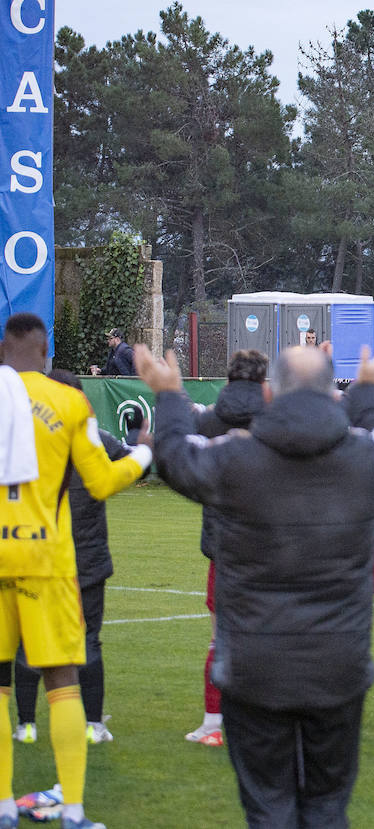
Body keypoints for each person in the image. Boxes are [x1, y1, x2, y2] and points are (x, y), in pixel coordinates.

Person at [141, 339, 374, 828]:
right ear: (331, 394)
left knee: (268, 807)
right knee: (326, 806)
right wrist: (368, 389)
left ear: (269, 392)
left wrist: (171, 396)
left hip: (256, 665)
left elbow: (173, 458)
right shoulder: (365, 460)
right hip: (336, 663)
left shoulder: (238, 461)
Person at [1, 312, 153, 829]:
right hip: (45, 555)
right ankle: (72, 811)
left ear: (4, 350)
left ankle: (3, 806)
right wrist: (144, 457)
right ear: (46, 354)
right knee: (63, 678)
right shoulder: (69, 400)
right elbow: (103, 481)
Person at [8, 371, 141, 750]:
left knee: (27, 641)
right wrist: (137, 441)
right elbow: (132, 463)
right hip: (85, 558)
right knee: (88, 640)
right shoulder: (93, 438)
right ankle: (93, 725)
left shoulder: (28, 440)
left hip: (39, 553)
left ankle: (27, 725)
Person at [184, 348, 269, 747]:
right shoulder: (276, 420)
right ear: (262, 381)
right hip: (269, 547)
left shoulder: (209, 420)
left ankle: (213, 721)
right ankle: (261, 723)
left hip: (223, 545)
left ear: (229, 379)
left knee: (220, 640)